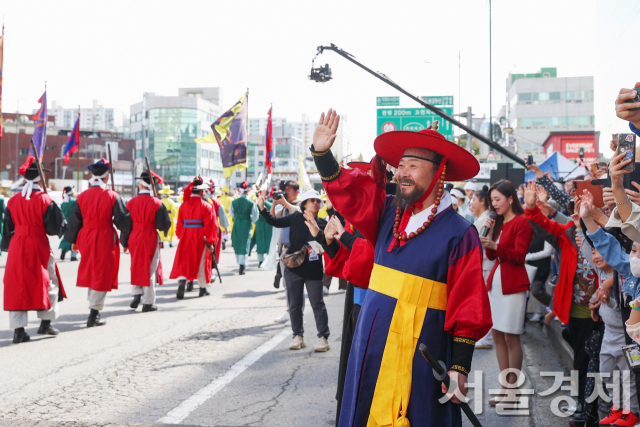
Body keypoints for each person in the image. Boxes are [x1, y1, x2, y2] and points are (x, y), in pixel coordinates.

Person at [312, 109, 491, 427]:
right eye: (401, 165)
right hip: (371, 341)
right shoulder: (387, 213)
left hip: (423, 347)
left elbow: (469, 303)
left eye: (413, 165)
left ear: (439, 172)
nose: (402, 173)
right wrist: (324, 156)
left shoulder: (460, 233)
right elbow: (353, 195)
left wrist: (459, 368)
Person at [2, 158, 67, 343]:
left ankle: (18, 330)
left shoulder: (13, 201)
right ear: (40, 179)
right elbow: (56, 228)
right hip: (38, 244)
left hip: (17, 245)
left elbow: (7, 228)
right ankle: (45, 324)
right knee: (48, 282)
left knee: (17, 285)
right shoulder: (46, 200)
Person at [258, 189, 332, 353]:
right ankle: (297, 336)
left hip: (313, 270)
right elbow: (274, 222)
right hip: (293, 267)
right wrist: (262, 207)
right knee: (294, 305)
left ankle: (322, 338)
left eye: (317, 200)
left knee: (317, 304)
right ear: (304, 204)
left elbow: (331, 245)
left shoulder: (322, 224)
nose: (315, 203)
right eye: (311, 200)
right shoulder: (296, 217)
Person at [480, 180, 533, 405]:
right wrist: (490, 238)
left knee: (511, 337)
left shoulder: (522, 222)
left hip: (513, 286)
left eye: (498, 199)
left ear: (510, 198)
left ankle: (513, 390)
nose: (494, 204)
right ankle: (504, 387)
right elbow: (493, 257)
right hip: (497, 284)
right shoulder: (499, 224)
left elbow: (519, 256)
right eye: (492, 200)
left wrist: (493, 246)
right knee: (498, 336)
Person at [65, 159, 131, 328]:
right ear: (106, 177)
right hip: (104, 236)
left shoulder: (82, 196)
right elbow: (122, 220)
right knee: (101, 272)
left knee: (93, 269)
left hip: (85, 236)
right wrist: (126, 234)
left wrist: (74, 241)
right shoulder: (112, 196)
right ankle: (94, 313)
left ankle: (93, 307)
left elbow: (75, 221)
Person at [121, 170, 171, 312]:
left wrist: (124, 243)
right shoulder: (157, 202)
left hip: (134, 236)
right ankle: (148, 301)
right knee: (150, 267)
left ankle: (136, 294)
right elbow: (163, 225)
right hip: (150, 236)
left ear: (141, 185)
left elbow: (125, 225)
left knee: (136, 264)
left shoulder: (130, 202)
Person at [169, 176, 218, 298]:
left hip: (186, 234)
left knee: (185, 260)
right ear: (201, 192)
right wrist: (210, 243)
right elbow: (210, 226)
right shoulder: (207, 206)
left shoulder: (183, 206)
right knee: (202, 261)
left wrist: (181, 235)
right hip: (201, 236)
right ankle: (202, 288)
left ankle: (182, 281)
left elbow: (179, 224)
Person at [469, 185, 495, 350]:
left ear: (483, 201)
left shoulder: (486, 219)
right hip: (482, 264)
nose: (470, 203)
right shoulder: (480, 220)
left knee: (487, 302)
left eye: (473, 199)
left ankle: (487, 337)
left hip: (486, 264)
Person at [229, 181, 259, 275]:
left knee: (237, 242)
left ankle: (240, 262)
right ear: (248, 191)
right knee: (245, 243)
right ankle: (242, 264)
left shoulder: (234, 202)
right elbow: (255, 215)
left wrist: (238, 216)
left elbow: (231, 213)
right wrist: (250, 219)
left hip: (237, 222)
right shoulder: (251, 202)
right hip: (246, 223)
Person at [252, 193, 273, 265]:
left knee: (259, 242)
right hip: (269, 224)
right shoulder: (270, 205)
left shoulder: (256, 205)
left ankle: (260, 260)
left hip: (259, 224)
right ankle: (269, 259)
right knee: (269, 241)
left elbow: (253, 215)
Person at [59, 186, 78, 261]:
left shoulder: (63, 203)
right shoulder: (74, 202)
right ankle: (73, 256)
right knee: (75, 239)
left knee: (67, 238)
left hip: (67, 222)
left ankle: (64, 250)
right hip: (75, 223)